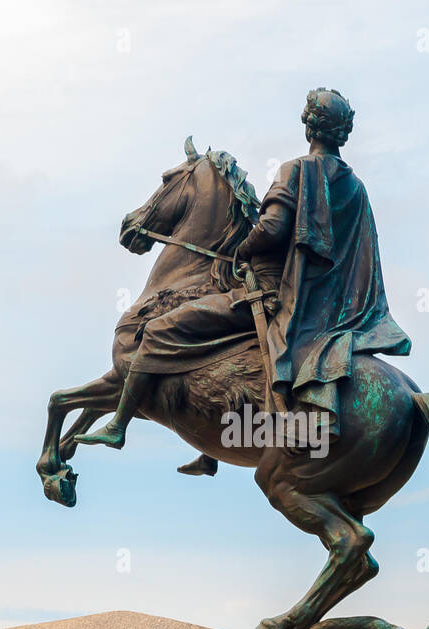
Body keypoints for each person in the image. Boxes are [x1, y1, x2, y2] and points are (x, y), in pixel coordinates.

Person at [76, 87, 409, 452]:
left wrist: (242, 250)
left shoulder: (296, 170)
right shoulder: (356, 189)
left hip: (272, 298)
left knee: (157, 331)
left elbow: (272, 229)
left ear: (309, 126)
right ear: (342, 131)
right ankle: (209, 453)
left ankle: (118, 425)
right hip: (327, 312)